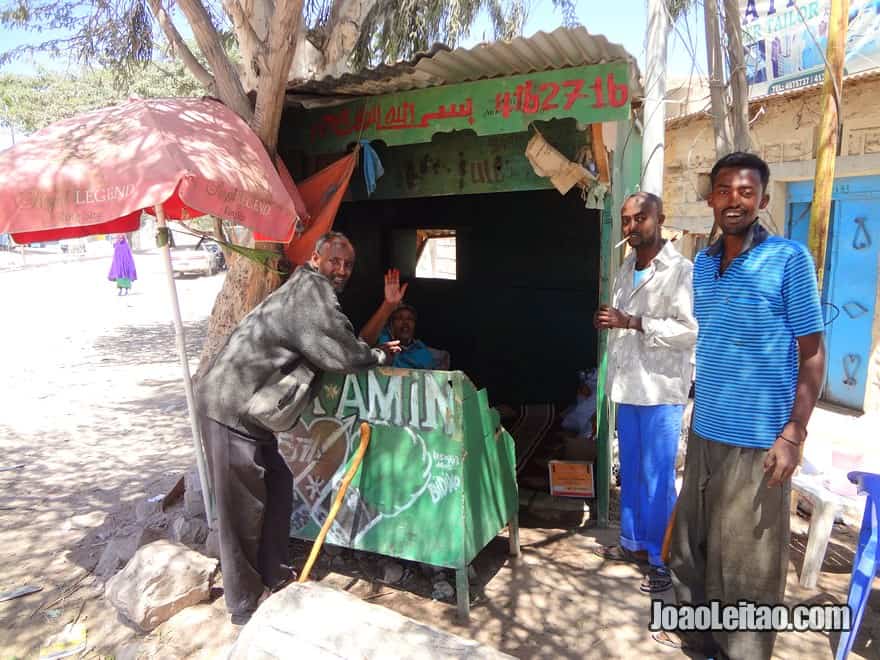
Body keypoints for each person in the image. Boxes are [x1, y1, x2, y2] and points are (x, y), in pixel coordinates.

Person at [663, 153, 825, 659]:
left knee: (748, 563)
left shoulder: (789, 259)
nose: (734, 201)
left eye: (745, 192)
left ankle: (745, 652)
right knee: (693, 549)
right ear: (711, 198)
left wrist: (793, 434)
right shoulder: (704, 266)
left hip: (759, 442)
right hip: (706, 431)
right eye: (724, 190)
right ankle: (699, 639)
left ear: (762, 200)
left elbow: (814, 354)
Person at [196, 231, 400, 625]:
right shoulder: (310, 293)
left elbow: (341, 341)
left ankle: (272, 572)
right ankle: (243, 604)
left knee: (277, 486)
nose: (340, 269)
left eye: (347, 264)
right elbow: (342, 353)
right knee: (241, 510)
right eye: (334, 261)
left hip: (248, 411)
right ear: (314, 259)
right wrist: (374, 355)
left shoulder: (313, 293)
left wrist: (371, 339)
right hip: (229, 407)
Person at [593, 192, 697, 594]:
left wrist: (634, 321)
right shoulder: (625, 269)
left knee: (657, 476)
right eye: (626, 220)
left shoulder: (680, 270)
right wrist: (612, 322)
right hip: (628, 384)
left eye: (641, 218)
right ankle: (632, 544)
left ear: (660, 219)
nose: (632, 227)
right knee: (632, 471)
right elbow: (622, 319)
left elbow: (689, 330)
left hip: (660, 388)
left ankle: (661, 558)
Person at [360, 268, 438, 369]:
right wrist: (388, 304)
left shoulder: (422, 352)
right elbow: (363, 342)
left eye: (410, 319)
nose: (405, 323)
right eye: (399, 318)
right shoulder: (381, 339)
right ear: (391, 322)